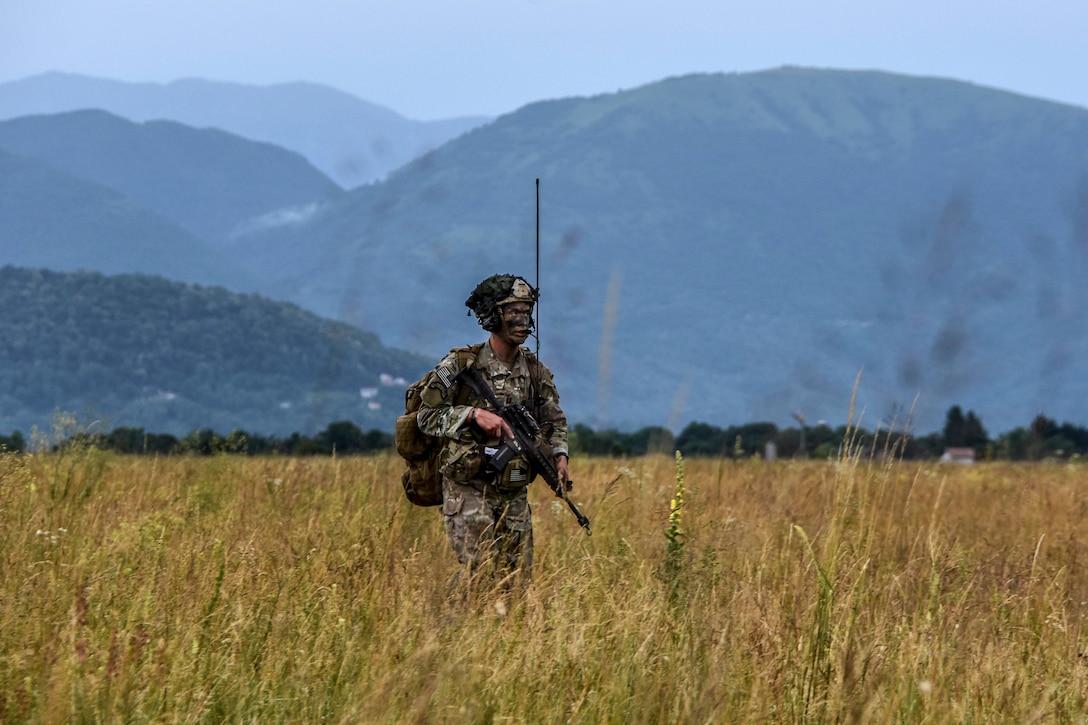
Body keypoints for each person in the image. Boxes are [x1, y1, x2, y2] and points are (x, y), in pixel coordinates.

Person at [415, 273, 569, 585]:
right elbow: (425, 416)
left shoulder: (535, 371)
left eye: (527, 312)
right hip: (468, 484)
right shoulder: (461, 365)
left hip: (512, 490)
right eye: (514, 312)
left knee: (516, 582)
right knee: (479, 573)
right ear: (493, 315)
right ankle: (451, 623)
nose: (523, 319)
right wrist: (472, 415)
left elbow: (554, 421)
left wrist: (560, 456)